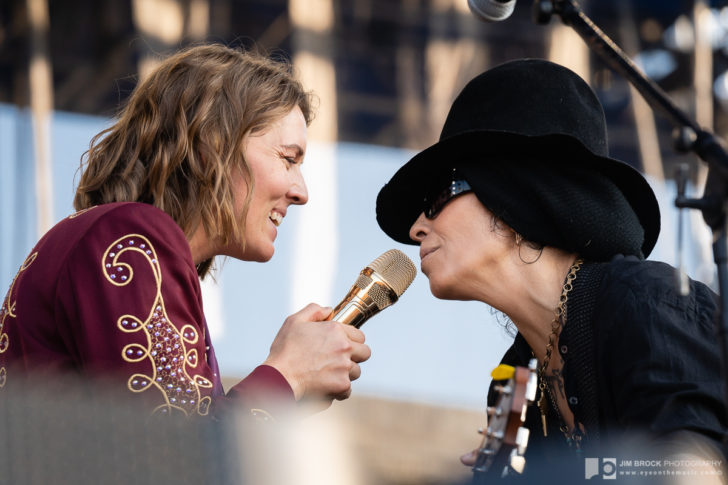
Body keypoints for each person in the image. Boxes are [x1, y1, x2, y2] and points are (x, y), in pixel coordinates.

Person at [376, 58, 727, 481]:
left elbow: (697, 471)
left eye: (437, 198)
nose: (417, 228)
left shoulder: (644, 303)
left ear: (511, 196)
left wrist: (557, 473)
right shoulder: (516, 383)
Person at [0, 43, 371, 421]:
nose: (302, 192)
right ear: (213, 143)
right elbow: (180, 449)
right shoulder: (130, 237)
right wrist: (288, 375)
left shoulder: (123, 241)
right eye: (288, 159)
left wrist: (290, 390)